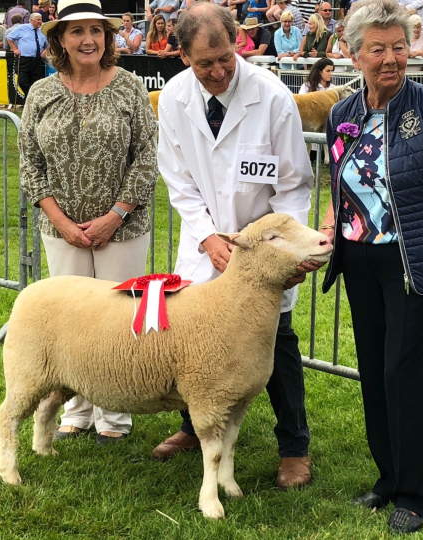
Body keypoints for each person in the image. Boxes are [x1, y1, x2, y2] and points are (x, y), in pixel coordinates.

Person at [319, 0, 423, 533]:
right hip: (360, 260)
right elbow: (343, 183)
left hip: (416, 264)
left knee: (405, 376)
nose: (391, 58)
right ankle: (388, 478)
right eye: (378, 49)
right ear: (353, 54)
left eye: (399, 46)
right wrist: (329, 226)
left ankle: (414, 494)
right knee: (374, 375)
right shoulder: (342, 114)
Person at [156, 1, 319, 491]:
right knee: (195, 340)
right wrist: (207, 236)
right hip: (204, 244)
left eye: (225, 58)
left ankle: (294, 447)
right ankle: (193, 427)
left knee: (276, 341)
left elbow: (293, 184)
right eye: (204, 63)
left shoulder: (271, 97)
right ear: (182, 55)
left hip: (264, 249)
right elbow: (178, 178)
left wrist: (289, 250)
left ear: (238, 44)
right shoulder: (173, 98)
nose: (218, 71)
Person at [20, 0, 158, 445]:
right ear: (59, 39)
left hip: (124, 229)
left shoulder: (130, 87)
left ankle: (114, 418)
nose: (88, 40)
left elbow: (146, 158)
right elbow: (30, 164)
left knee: (118, 323)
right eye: (76, 31)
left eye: (96, 30)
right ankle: (75, 411)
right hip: (61, 232)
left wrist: (114, 216)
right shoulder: (41, 94)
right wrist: (60, 221)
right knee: (71, 323)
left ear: (108, 37)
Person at [8, 13, 49, 99]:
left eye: (40, 19)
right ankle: (30, 97)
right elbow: (9, 38)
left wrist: (45, 51)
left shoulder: (42, 31)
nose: (40, 21)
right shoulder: (22, 28)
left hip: (38, 60)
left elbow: (48, 45)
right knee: (22, 81)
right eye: (38, 20)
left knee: (37, 82)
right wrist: (15, 49)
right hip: (25, 59)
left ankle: (33, 100)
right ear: (31, 20)